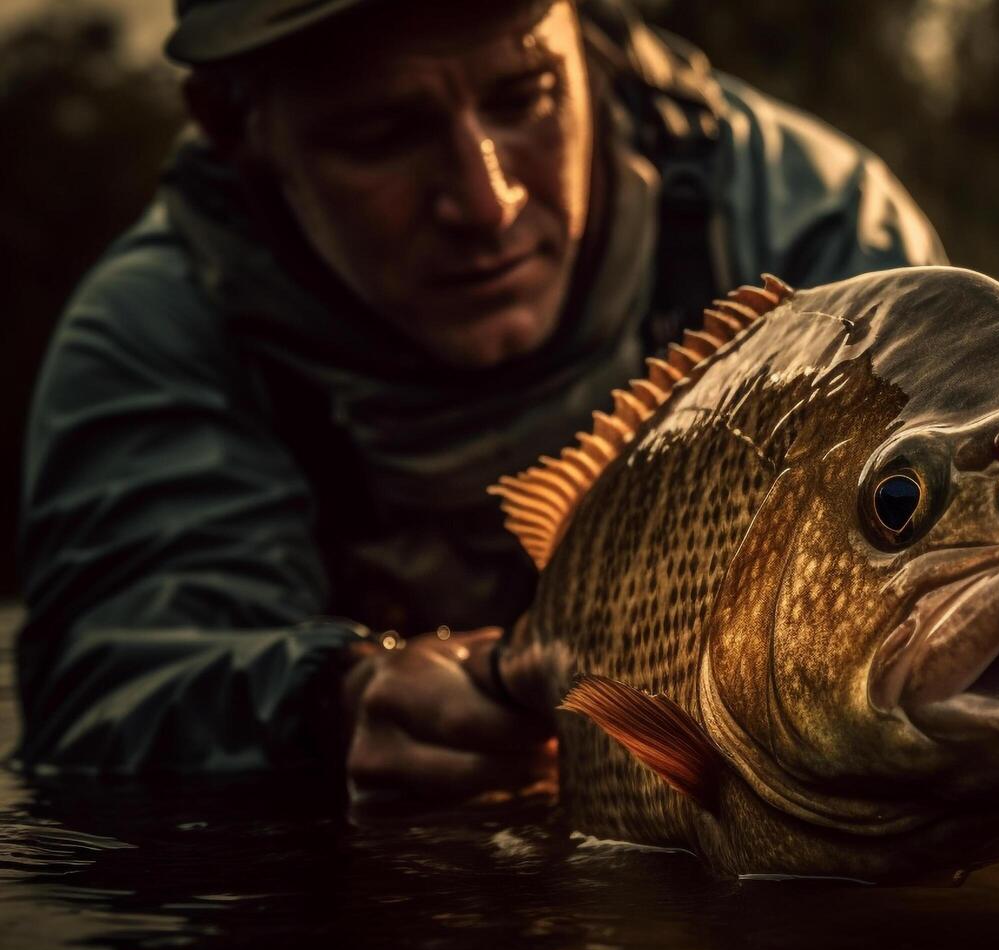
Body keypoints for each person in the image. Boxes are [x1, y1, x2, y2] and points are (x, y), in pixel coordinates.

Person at [13, 0, 943, 806]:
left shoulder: (822, 237)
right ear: (233, 124)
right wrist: (324, 705)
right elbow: (111, 689)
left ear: (587, 34)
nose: (485, 200)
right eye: (383, 133)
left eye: (524, 95)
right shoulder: (153, 335)